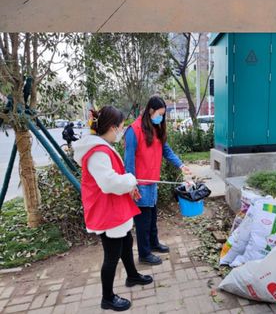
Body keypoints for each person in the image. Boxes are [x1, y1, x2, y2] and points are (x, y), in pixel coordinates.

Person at [73, 106, 153, 312]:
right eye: (121, 127)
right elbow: (109, 183)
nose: (122, 130)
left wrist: (129, 186)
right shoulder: (97, 152)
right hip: (106, 210)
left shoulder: (102, 146)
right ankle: (107, 298)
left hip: (114, 206)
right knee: (112, 255)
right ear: (111, 127)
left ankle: (132, 276)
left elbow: (114, 178)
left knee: (126, 240)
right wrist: (130, 179)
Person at [124, 96, 192, 265]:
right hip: (140, 184)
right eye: (159, 114)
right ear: (150, 111)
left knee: (152, 217)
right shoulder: (134, 130)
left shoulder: (156, 128)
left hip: (153, 182)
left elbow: (166, 151)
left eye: (163, 115)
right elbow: (129, 160)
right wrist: (131, 184)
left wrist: (181, 165)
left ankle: (153, 244)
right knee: (143, 221)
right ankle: (144, 254)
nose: (161, 118)